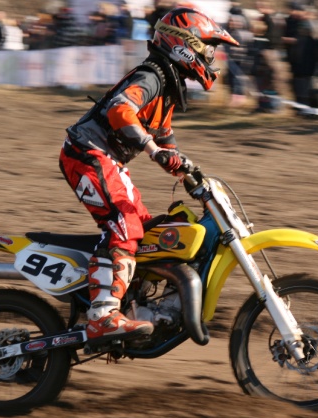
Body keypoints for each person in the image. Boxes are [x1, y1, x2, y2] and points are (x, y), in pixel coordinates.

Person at [59, 7, 238, 345]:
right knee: (124, 225)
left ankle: (130, 303)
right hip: (86, 155)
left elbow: (165, 139)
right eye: (208, 49)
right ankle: (102, 316)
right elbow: (120, 110)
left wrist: (188, 171)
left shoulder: (167, 87)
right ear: (186, 45)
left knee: (149, 230)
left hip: (106, 159)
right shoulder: (151, 76)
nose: (211, 57)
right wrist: (154, 150)